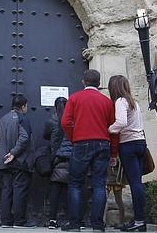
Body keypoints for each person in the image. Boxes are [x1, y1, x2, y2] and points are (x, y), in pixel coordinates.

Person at [61, 69, 115, 232]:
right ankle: (97, 225)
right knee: (99, 184)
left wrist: (73, 137)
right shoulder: (106, 101)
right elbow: (113, 128)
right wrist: (114, 153)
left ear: (83, 82)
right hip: (103, 143)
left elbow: (65, 122)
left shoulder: (75, 98)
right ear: (99, 83)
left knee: (76, 184)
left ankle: (75, 224)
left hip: (81, 143)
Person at [108, 75, 147, 232]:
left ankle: (139, 221)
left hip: (128, 145)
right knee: (138, 182)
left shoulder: (120, 101)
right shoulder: (134, 102)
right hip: (140, 143)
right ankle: (140, 219)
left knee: (135, 183)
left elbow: (121, 123)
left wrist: (109, 129)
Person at [0, 95, 35, 229]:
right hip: (19, 160)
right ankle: (20, 221)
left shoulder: (3, 119)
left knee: (7, 190)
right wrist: (14, 153)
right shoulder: (23, 118)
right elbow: (24, 138)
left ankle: (6, 221)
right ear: (23, 106)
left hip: (4, 161)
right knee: (19, 189)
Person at [44, 97, 72, 229]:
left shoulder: (51, 120)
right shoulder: (72, 119)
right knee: (71, 190)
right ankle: (74, 219)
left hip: (57, 157)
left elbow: (45, 135)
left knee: (55, 190)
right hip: (71, 157)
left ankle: (52, 220)